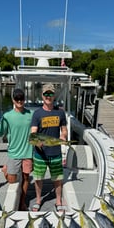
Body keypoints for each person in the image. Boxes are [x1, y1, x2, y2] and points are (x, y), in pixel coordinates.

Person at [0, 88, 33, 211]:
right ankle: (5, 170)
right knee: (12, 181)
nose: (19, 101)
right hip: (14, 153)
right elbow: (0, 132)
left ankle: (22, 202)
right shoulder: (7, 116)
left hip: (28, 152)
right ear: (13, 100)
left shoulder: (31, 114)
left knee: (26, 178)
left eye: (21, 98)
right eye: (17, 98)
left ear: (24, 99)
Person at [30, 83, 68, 212]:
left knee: (57, 178)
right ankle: (38, 200)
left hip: (55, 151)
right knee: (38, 178)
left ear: (54, 95)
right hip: (40, 153)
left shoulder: (60, 112)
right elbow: (33, 133)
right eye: (46, 93)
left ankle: (58, 200)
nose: (48, 96)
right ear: (42, 95)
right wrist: (37, 142)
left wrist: (63, 136)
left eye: (50, 93)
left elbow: (64, 130)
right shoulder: (37, 114)